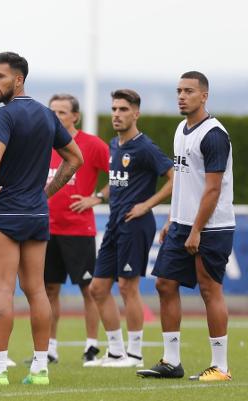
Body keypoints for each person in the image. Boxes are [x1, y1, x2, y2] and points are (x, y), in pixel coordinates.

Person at [0, 52, 83, 386]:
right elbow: (74, 158)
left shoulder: (4, 115)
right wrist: (45, 194)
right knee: (37, 291)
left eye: (0, 77)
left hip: (4, 211)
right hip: (36, 213)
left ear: (18, 80)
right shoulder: (47, 115)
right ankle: (40, 369)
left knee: (2, 289)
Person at [137, 72, 235, 381]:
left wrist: (196, 230)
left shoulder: (214, 135)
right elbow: (184, 181)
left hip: (210, 227)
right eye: (179, 90)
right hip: (181, 224)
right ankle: (171, 361)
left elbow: (212, 189)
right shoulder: (181, 128)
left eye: (189, 91)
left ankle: (220, 367)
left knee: (209, 289)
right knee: (164, 284)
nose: (182, 95)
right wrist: (171, 219)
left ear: (204, 96)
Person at [86, 89, 173, 368]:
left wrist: (147, 205)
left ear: (136, 113)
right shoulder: (114, 145)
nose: (116, 114)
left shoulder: (144, 147)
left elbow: (174, 178)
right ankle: (115, 352)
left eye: (123, 109)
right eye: (114, 109)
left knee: (127, 287)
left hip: (136, 224)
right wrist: (99, 197)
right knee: (98, 288)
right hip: (114, 224)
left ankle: (134, 354)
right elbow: (118, 181)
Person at [43, 93, 108, 365]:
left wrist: (98, 197)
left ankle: (92, 346)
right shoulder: (41, 143)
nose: (55, 117)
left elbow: (121, 176)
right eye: (52, 112)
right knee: (49, 290)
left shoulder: (92, 145)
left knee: (88, 289)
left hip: (79, 230)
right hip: (45, 229)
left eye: (61, 112)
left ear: (75, 116)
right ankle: (49, 348)